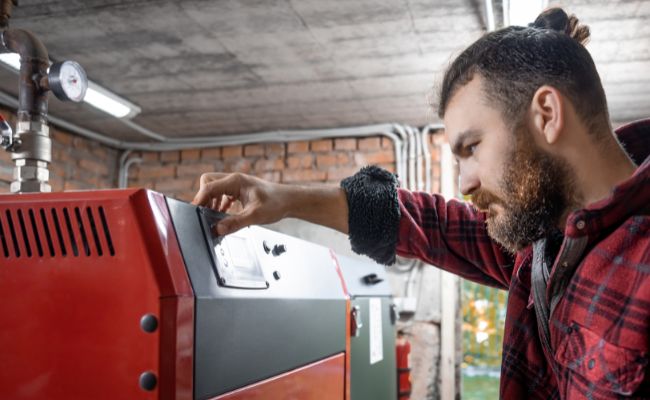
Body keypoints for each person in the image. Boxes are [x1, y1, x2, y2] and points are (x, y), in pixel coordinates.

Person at [192, 8, 650, 399]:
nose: (466, 184)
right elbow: (429, 225)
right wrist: (284, 198)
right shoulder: (543, 241)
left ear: (546, 115)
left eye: (471, 147)